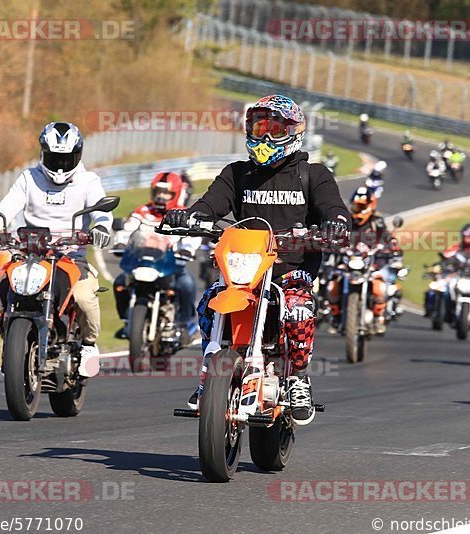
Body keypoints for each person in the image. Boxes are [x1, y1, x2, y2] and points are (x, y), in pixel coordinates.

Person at [163, 94, 350, 425]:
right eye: (258, 127)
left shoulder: (313, 175)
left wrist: (335, 223)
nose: (265, 137)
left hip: (291, 270)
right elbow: (210, 205)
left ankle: (297, 379)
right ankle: (210, 376)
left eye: (274, 129)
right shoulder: (237, 173)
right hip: (242, 271)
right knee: (209, 303)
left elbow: (333, 208)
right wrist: (190, 217)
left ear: (292, 132)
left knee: (297, 307)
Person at [0, 122, 112, 374]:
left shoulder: (89, 180)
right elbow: (5, 208)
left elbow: (102, 210)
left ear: (77, 156)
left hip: (70, 257)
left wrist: (101, 228)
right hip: (29, 254)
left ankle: (89, 344)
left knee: (82, 295)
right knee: (3, 284)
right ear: (43, 153)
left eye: (65, 159)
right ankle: (13, 338)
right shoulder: (29, 177)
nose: (59, 165)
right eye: (54, 158)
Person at [111, 171, 199, 342]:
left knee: (187, 284)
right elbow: (127, 228)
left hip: (171, 264)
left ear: (176, 194)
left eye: (166, 193)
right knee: (120, 283)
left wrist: (188, 250)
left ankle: (183, 323)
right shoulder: (142, 211)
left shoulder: (184, 214)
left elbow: (192, 236)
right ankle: (127, 321)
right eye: (158, 192)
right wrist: (120, 242)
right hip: (141, 261)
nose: (161, 197)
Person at [345, 186, 400, 335]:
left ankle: (378, 318)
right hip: (349, 262)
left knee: (379, 289)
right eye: (355, 206)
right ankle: (334, 316)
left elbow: (389, 239)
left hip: (373, 263)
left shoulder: (377, 222)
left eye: (360, 206)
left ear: (369, 206)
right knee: (332, 285)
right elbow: (336, 237)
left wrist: (392, 248)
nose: (357, 210)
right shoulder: (347, 220)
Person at [425, 223, 470, 324]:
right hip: (457, 277)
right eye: (465, 236)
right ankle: (448, 312)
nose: (467, 238)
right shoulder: (455, 248)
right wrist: (445, 265)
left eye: (469, 236)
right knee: (448, 292)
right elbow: (445, 258)